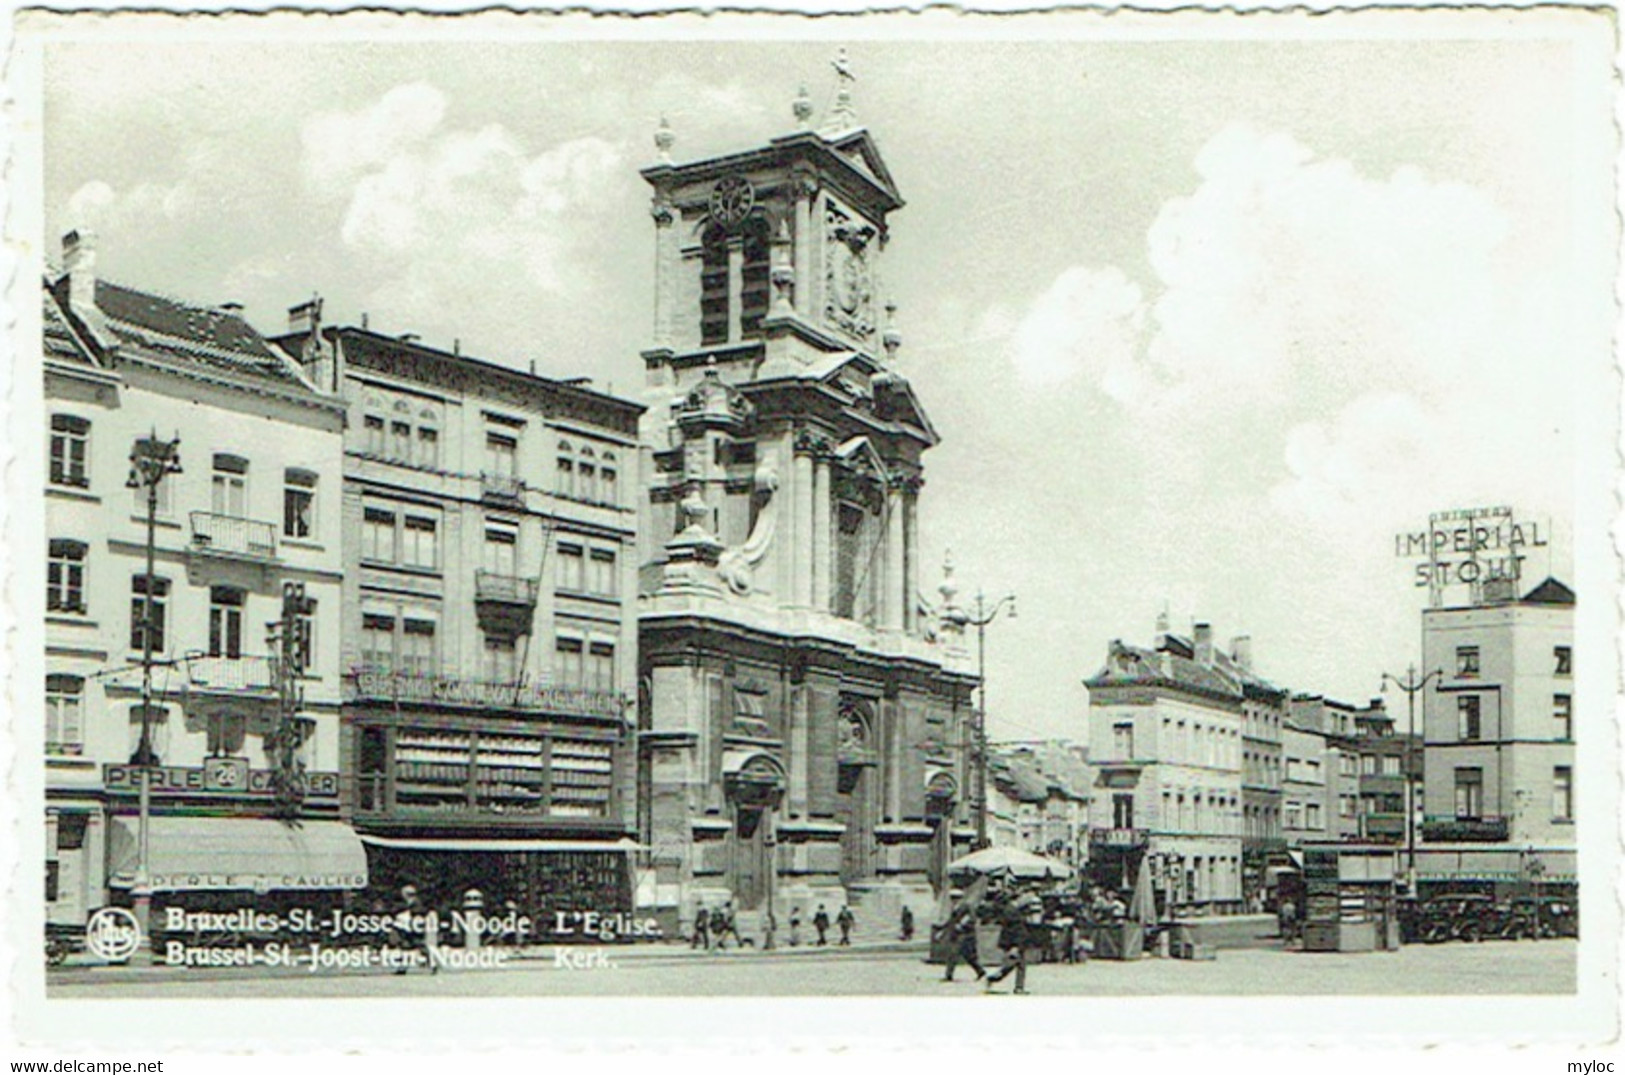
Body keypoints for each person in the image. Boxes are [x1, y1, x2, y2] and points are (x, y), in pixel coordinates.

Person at [939, 904, 985, 983]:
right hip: (958, 936)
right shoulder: (955, 908)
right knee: (953, 954)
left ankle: (980, 971)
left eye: (957, 898)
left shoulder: (965, 907)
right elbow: (951, 921)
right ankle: (949, 975)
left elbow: (971, 920)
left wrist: (962, 926)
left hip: (966, 936)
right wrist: (943, 930)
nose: (954, 900)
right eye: (953, 898)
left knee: (968, 956)